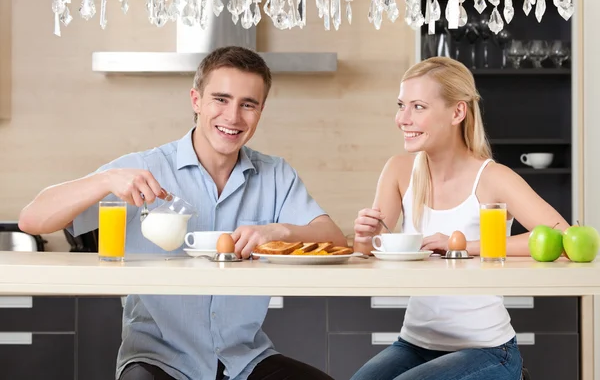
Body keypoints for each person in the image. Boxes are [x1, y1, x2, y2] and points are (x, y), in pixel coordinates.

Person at [18, 46, 347, 380]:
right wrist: (106, 179)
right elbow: (32, 219)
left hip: (244, 360)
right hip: (157, 360)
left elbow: (335, 238)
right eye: (221, 99)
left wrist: (279, 232)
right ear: (196, 101)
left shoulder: (275, 175)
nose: (233, 117)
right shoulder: (145, 168)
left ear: (261, 110)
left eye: (248, 104)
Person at [351, 56, 569, 380]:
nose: (402, 119)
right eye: (401, 105)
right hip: (415, 342)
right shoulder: (399, 171)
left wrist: (465, 246)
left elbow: (561, 238)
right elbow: (371, 251)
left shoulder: (493, 177)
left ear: (457, 112)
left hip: (488, 348)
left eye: (418, 107)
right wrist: (364, 238)